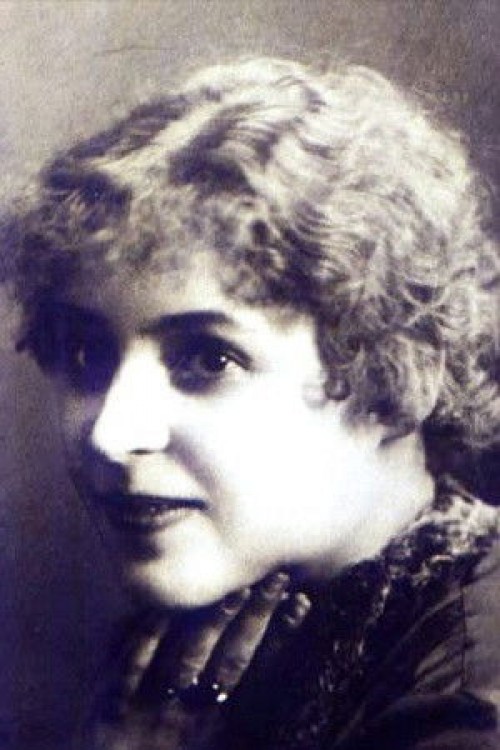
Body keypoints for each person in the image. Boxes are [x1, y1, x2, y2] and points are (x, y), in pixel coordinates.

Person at [4, 56, 500, 749]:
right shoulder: (217, 631)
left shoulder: (470, 706)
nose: (112, 433)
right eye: (88, 353)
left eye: (209, 359)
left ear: (397, 374)